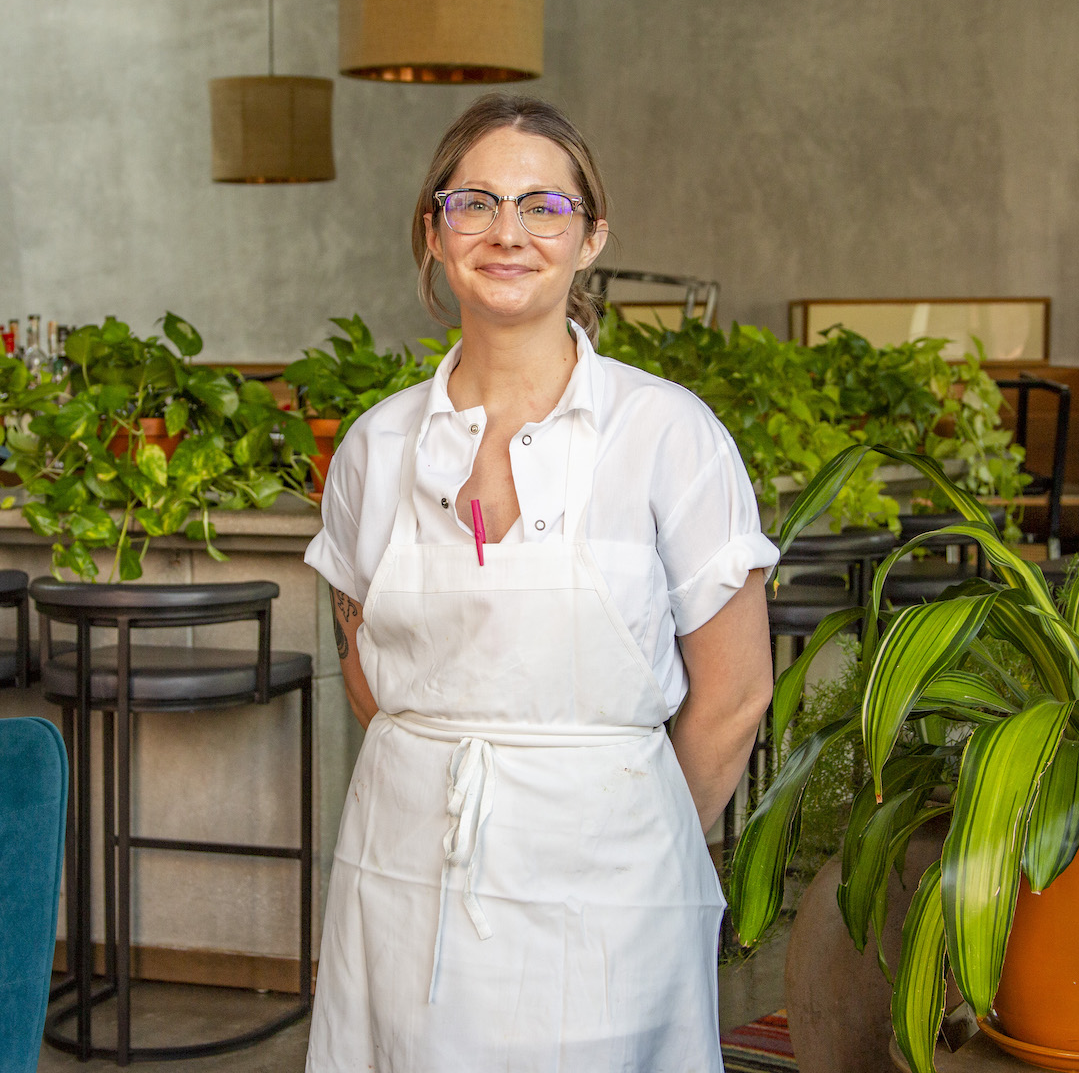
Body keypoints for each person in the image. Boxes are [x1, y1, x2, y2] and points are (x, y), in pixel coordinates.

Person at [303, 93, 777, 1072]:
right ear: (434, 232)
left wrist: (630, 834)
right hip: (406, 881)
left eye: (543, 206)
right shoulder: (375, 448)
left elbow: (735, 695)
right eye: (474, 203)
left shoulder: (669, 434)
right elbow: (364, 663)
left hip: (613, 887)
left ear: (590, 236)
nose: (507, 233)